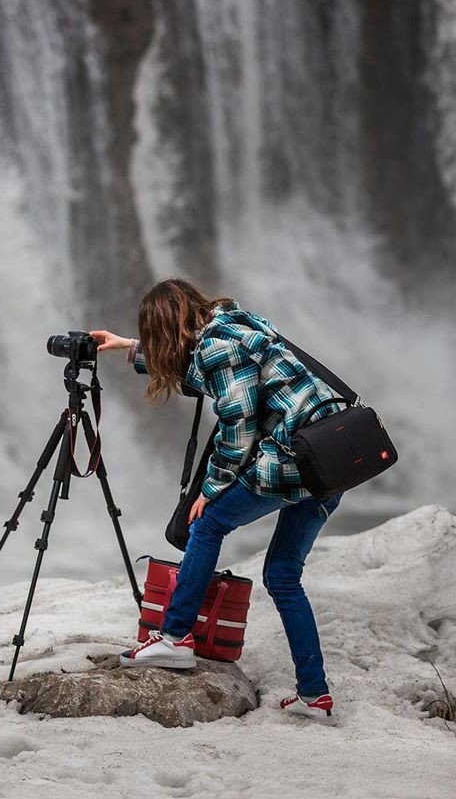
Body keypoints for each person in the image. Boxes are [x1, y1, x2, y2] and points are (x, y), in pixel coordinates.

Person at [91, 278, 344, 725]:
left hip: (293, 457)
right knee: (284, 576)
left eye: (152, 333)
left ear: (167, 326)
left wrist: (212, 489)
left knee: (206, 524)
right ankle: (315, 696)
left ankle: (174, 636)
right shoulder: (232, 326)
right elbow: (205, 374)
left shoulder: (219, 347)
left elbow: (239, 427)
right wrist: (129, 349)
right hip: (331, 458)